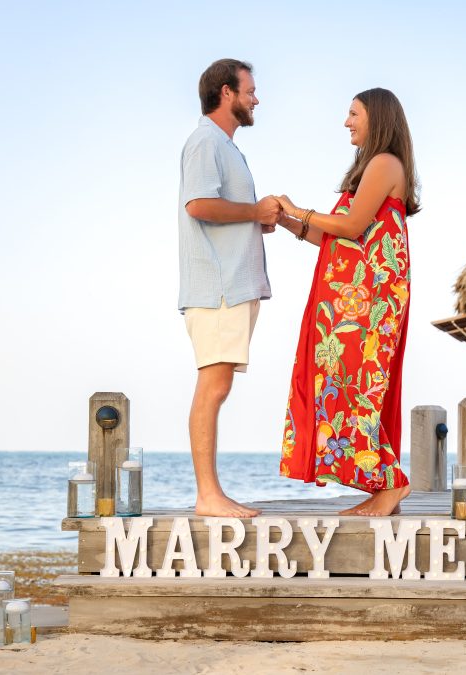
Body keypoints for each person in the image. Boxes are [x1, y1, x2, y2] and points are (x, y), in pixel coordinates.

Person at [277, 88, 420, 517]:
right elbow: (335, 234)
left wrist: (299, 209)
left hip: (369, 300)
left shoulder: (384, 162)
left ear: (376, 118)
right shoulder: (371, 168)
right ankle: (382, 484)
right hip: (351, 302)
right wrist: (287, 221)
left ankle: (393, 483)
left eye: (353, 113)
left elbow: (353, 224)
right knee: (346, 385)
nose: (346, 122)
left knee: (362, 388)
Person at [178, 59, 280, 517]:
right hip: (217, 287)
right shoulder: (205, 141)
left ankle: (210, 495)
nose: (256, 99)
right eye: (250, 90)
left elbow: (227, 212)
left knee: (217, 387)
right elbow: (198, 205)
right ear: (226, 93)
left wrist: (258, 221)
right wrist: (252, 213)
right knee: (213, 387)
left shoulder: (224, 145)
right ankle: (208, 497)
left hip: (231, 287)